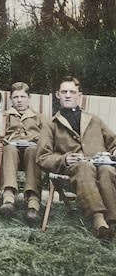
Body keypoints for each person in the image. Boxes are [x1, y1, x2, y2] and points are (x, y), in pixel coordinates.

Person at [37, 76, 116, 238]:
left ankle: (113, 220)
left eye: (72, 92)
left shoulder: (94, 120)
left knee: (107, 170)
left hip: (100, 166)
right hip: (74, 172)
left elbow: (113, 142)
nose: (68, 95)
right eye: (64, 92)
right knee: (83, 166)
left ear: (79, 95)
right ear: (57, 95)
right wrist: (64, 159)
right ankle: (98, 219)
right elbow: (42, 157)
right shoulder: (51, 124)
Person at [0, 82, 48, 224]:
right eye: (15, 97)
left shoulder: (39, 117)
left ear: (29, 98)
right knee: (9, 149)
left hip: (31, 151)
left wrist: (36, 141)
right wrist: (7, 140)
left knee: (33, 150)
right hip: (11, 150)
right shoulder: (5, 116)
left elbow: (48, 138)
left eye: (22, 96)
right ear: (11, 100)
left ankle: (33, 202)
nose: (19, 100)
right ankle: (8, 198)